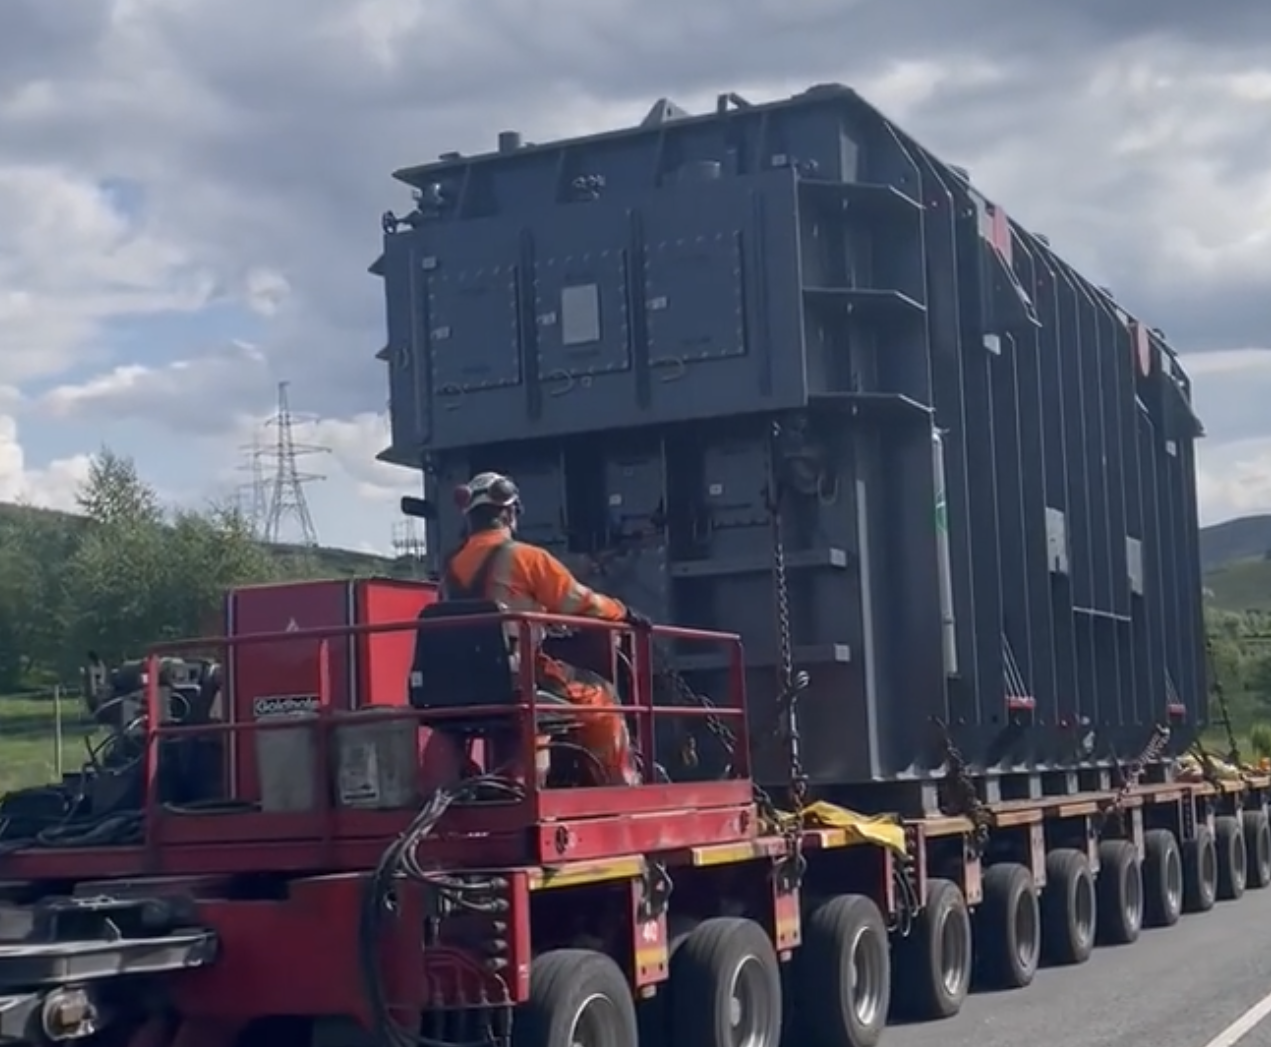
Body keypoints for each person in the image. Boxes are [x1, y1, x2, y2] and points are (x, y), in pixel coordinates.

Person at [439, 471, 650, 785]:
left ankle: (507, 779)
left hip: (460, 680)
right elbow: (577, 601)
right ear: (509, 513)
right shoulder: (526, 557)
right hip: (518, 674)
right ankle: (618, 788)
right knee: (601, 695)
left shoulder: (449, 565)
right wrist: (623, 612)